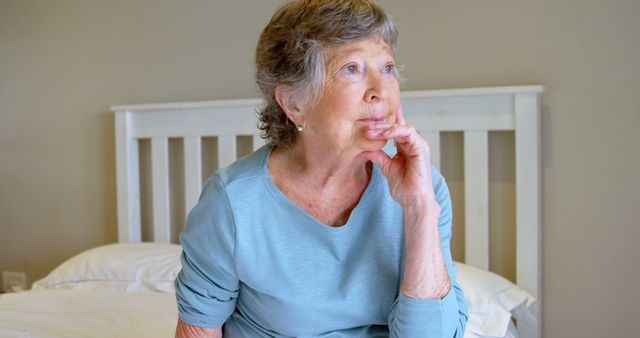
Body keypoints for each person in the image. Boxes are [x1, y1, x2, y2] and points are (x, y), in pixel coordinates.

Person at [174, 0, 468, 337]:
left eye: (386, 67)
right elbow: (197, 330)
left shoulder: (424, 188)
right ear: (294, 103)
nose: (380, 91)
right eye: (352, 69)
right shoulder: (233, 202)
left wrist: (419, 208)